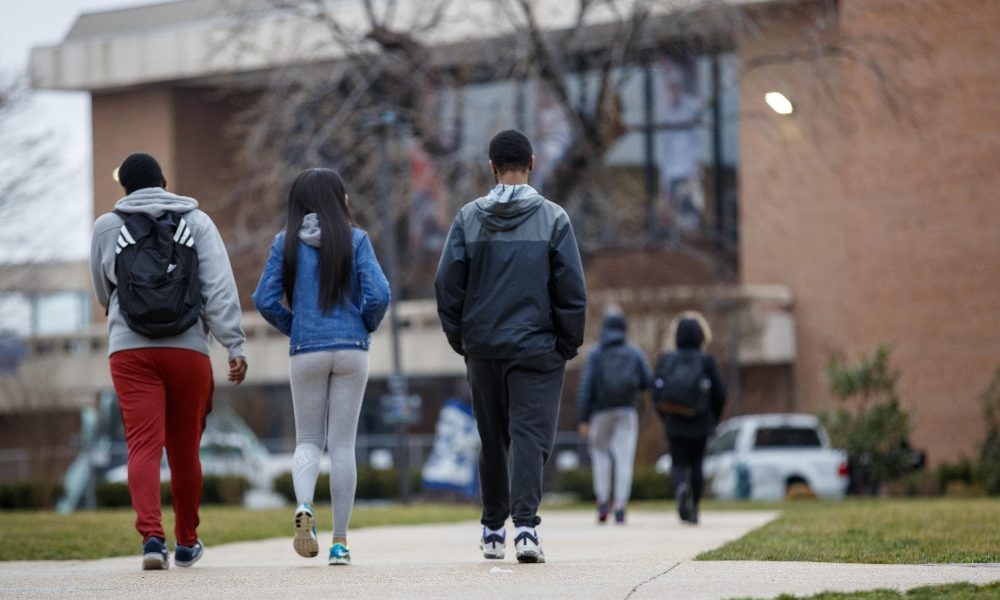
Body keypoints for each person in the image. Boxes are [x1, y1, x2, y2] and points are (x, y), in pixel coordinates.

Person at [90, 153, 248, 570]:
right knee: (184, 451)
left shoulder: (107, 227)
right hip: (188, 348)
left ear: (123, 187)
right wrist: (234, 344)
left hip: (130, 350)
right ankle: (186, 541)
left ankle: (151, 541)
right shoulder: (196, 223)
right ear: (163, 180)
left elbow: (104, 291)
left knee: (142, 445)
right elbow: (218, 286)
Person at [435, 129, 586, 564]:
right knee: (529, 436)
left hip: (483, 347)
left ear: (491, 166)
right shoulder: (554, 219)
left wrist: (460, 338)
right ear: (532, 163)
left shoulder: (466, 218)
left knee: (492, 437)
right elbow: (571, 289)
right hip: (538, 348)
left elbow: (447, 286)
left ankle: (491, 529)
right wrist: (566, 343)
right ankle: (525, 530)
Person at [253, 168, 390, 566]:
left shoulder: (284, 243)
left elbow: (264, 298)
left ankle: (304, 505)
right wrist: (366, 321)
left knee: (308, 440)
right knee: (343, 444)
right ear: (338, 199)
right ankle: (341, 543)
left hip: (306, 349)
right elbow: (379, 292)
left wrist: (293, 325)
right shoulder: (356, 239)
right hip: (351, 348)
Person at [576, 307, 652, 525]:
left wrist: (583, 418)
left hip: (601, 412)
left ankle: (602, 502)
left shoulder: (596, 353)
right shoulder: (633, 351)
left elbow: (585, 387)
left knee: (600, 455)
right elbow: (648, 379)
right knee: (624, 458)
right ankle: (619, 507)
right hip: (627, 411)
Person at [653, 311, 726, 525]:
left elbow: (656, 393)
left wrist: (665, 416)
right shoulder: (706, 360)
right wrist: (714, 419)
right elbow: (721, 393)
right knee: (696, 464)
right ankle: (694, 508)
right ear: (700, 335)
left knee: (677, 462)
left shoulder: (666, 359)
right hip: (700, 420)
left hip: (674, 419)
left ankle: (680, 487)